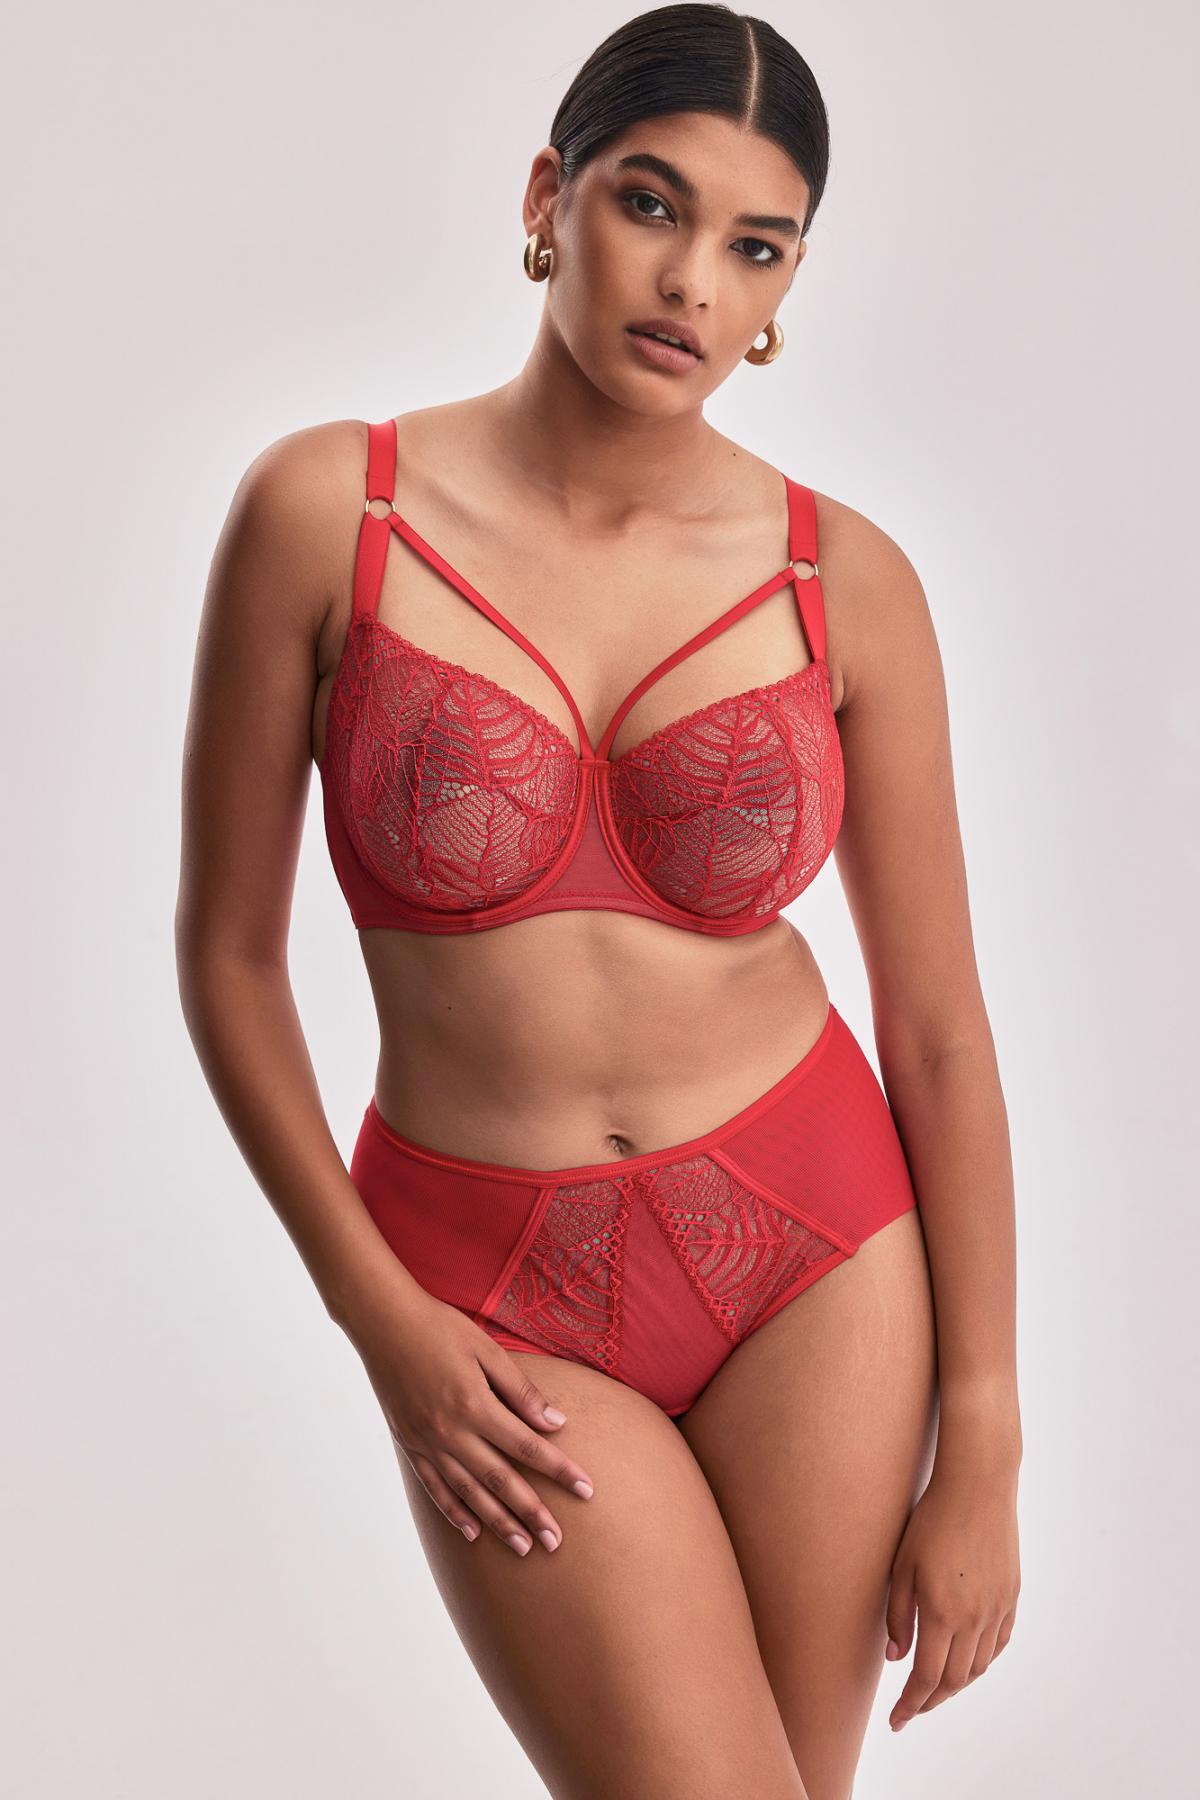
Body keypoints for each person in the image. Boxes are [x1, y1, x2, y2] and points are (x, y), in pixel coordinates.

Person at [176, 6, 1021, 1795]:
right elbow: (229, 959)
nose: (693, 282)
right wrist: (381, 1323)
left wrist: (991, 1439)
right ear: (546, 198)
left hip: (817, 1256)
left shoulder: (848, 582)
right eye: (652, 204)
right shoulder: (330, 513)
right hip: (485, 1290)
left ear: (787, 286)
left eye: (756, 246)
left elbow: (940, 1029)